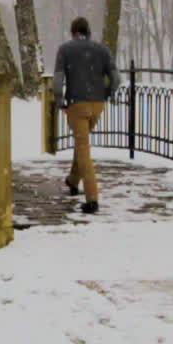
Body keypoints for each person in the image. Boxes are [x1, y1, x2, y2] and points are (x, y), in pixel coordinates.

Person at [52, 16, 120, 214]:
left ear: (73, 32)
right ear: (88, 31)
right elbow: (116, 78)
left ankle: (92, 199)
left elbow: (57, 80)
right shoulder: (102, 50)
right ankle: (73, 180)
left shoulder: (65, 50)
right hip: (97, 106)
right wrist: (107, 94)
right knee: (81, 144)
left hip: (77, 105)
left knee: (83, 150)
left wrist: (59, 100)